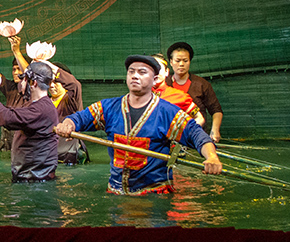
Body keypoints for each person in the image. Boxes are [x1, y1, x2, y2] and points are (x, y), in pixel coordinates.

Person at [54, 55, 222, 196]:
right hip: (116, 194)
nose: (135, 76)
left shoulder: (168, 113)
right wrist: (68, 124)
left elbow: (196, 135)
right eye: (131, 72)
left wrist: (212, 157)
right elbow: (80, 118)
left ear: (155, 79)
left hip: (154, 196)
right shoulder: (109, 108)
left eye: (142, 72)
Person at [0, 61, 59, 182]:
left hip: (36, 179)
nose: (21, 83)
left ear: (33, 83)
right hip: (33, 176)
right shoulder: (35, 105)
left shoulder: (42, 108)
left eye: (24, 79)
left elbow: (9, 118)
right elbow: (12, 114)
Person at [166, 42, 224, 142]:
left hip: (196, 136)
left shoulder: (201, 84)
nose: (181, 64)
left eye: (185, 61)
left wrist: (215, 130)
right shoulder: (164, 84)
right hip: (168, 137)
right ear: (171, 62)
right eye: (177, 60)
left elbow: (216, 110)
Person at [0, 34, 30, 150]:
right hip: (7, 141)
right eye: (14, 69)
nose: (15, 72)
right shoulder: (10, 87)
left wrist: (17, 51)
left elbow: (31, 73)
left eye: (19, 69)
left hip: (23, 143)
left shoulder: (34, 88)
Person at [48, 63, 87, 165]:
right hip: (48, 156)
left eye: (56, 82)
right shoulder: (44, 102)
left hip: (68, 155)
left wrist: (46, 63)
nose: (51, 85)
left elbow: (75, 85)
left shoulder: (71, 100)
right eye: (49, 81)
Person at [152, 54, 205, 127]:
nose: (156, 72)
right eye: (152, 69)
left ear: (166, 72)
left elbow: (199, 118)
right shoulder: (136, 96)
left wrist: (186, 134)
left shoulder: (179, 96)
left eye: (159, 68)